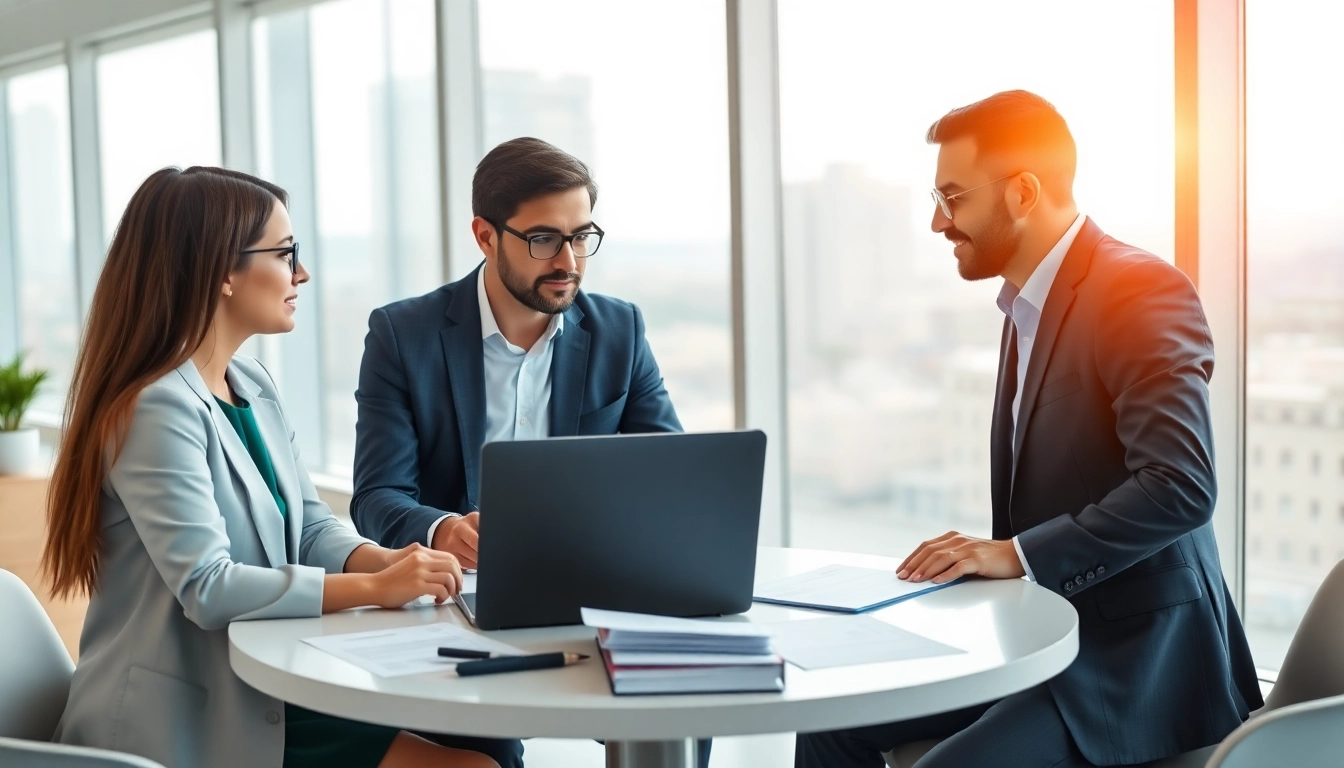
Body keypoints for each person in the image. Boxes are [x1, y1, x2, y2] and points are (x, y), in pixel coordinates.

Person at [795, 91, 1262, 767]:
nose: (936, 222)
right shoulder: (1026, 306)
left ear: (1021, 192)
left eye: (953, 198)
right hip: (1043, 634)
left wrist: (1015, 554)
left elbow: (1181, 487)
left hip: (1136, 661)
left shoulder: (1139, 290)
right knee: (831, 718)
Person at [43, 166, 496, 768]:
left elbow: (308, 526)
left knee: (478, 757)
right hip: (190, 715)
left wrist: (385, 559)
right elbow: (209, 587)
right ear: (221, 273)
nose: (301, 273)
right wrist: (374, 588)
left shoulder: (250, 381)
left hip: (263, 681)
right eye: (286, 254)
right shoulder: (156, 408)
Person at [348, 136, 704, 768]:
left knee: (680, 712)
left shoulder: (618, 329)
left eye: (582, 236)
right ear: (486, 237)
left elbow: (669, 475)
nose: (567, 260)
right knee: (485, 751)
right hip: (461, 603)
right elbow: (376, 496)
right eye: (543, 239)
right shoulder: (404, 334)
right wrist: (442, 527)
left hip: (595, 590)